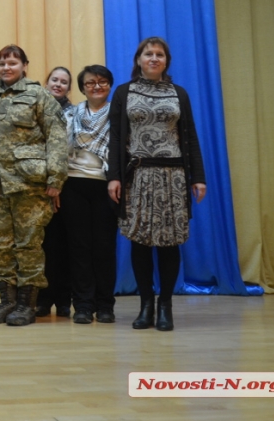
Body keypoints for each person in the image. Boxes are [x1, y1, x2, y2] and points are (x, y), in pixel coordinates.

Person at [0, 45, 68, 326]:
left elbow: (56, 136)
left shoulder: (39, 95)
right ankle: (7, 302)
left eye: (12, 62)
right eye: (2, 63)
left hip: (29, 185)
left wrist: (56, 177)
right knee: (1, 246)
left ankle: (26, 305)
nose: (6, 67)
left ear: (24, 66)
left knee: (28, 245)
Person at [107, 37, 206, 332]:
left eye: (159, 54)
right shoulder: (124, 92)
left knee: (168, 242)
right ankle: (145, 305)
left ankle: (165, 306)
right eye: (148, 53)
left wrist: (198, 177)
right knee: (139, 241)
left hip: (173, 177)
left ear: (166, 60)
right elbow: (115, 138)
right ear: (138, 59)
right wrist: (114, 176)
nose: (154, 58)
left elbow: (189, 137)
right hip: (137, 177)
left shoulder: (179, 94)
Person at [61, 65, 118, 324]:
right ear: (83, 88)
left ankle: (105, 304)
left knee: (104, 247)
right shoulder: (70, 114)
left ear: (110, 85)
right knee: (79, 247)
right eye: (90, 83)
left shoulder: (119, 113)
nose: (96, 86)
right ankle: (82, 304)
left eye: (102, 82)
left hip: (106, 185)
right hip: (73, 184)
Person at [36, 67, 74, 319]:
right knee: (42, 245)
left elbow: (69, 148)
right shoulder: (33, 107)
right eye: (54, 80)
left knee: (63, 245)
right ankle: (42, 299)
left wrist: (57, 182)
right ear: (46, 82)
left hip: (65, 184)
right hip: (37, 184)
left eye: (64, 82)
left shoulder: (74, 114)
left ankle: (63, 299)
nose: (58, 84)